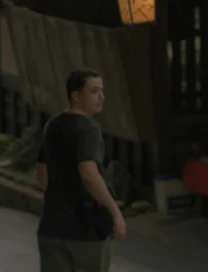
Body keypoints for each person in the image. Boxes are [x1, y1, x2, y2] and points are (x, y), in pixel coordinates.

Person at [36, 69, 125, 272]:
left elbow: (41, 170)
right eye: (94, 91)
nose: (101, 97)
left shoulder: (53, 124)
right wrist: (115, 210)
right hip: (87, 231)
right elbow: (88, 173)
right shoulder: (88, 128)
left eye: (102, 91)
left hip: (52, 227)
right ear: (76, 96)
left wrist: (58, 198)